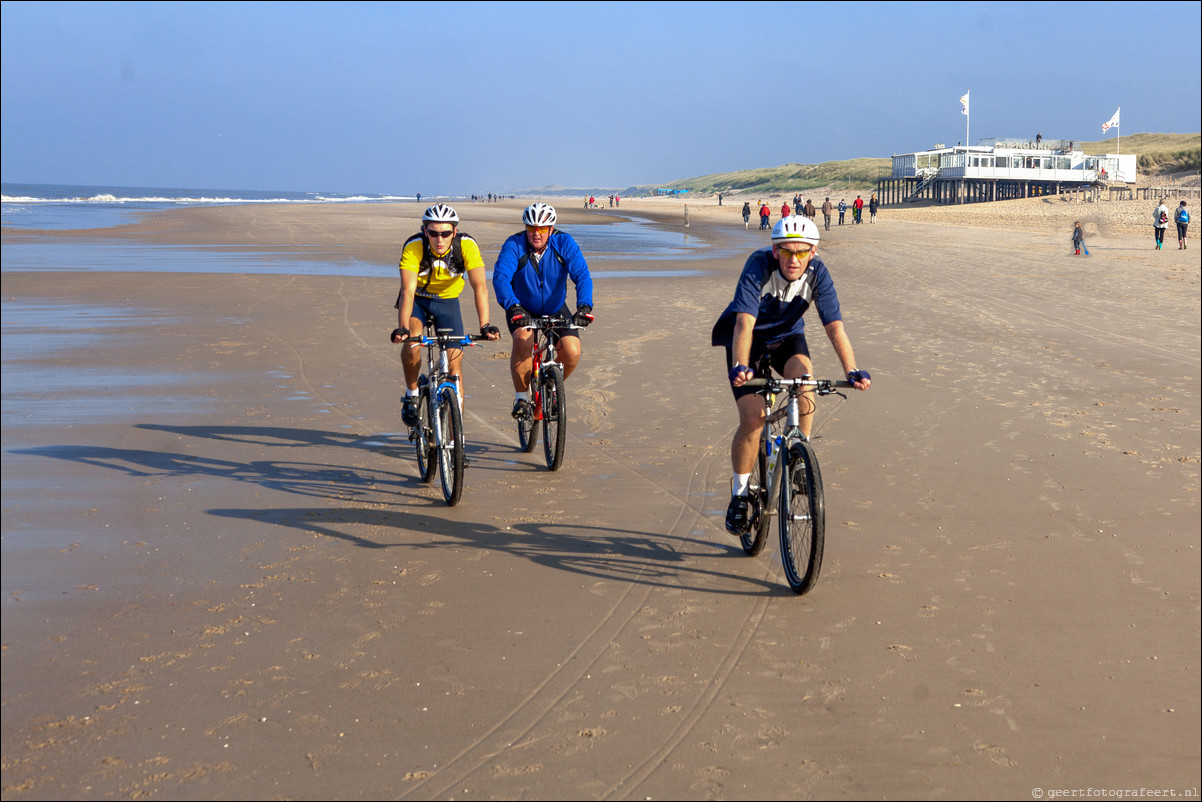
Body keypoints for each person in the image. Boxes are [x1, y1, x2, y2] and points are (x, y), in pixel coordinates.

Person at [711, 215, 871, 536]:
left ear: (813, 252)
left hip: (787, 338)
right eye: (786, 252)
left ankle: (800, 459)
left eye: (801, 252)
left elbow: (834, 326)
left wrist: (850, 370)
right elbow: (743, 323)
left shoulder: (818, 274)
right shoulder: (758, 267)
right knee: (754, 418)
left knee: (806, 382)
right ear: (774, 250)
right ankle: (740, 494)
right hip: (748, 340)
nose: (793, 259)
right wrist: (741, 365)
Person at [392, 204, 500, 428]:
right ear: (425, 231)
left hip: (448, 301)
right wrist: (403, 328)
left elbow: (480, 286)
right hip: (418, 300)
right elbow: (407, 292)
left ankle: (455, 437)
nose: (439, 239)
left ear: (455, 232)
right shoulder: (414, 247)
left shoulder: (466, 246)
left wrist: (485, 324)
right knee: (413, 342)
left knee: (454, 370)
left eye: (445, 233)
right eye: (433, 233)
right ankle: (412, 393)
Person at [492, 203, 595, 420]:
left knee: (573, 351)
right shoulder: (514, 244)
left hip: (556, 308)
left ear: (551, 228)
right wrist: (513, 306)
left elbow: (582, 275)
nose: (536, 234)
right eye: (531, 229)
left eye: (542, 228)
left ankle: (553, 387)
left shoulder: (564, 243)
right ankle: (522, 397)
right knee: (523, 340)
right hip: (522, 308)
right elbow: (501, 278)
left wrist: (584, 306)